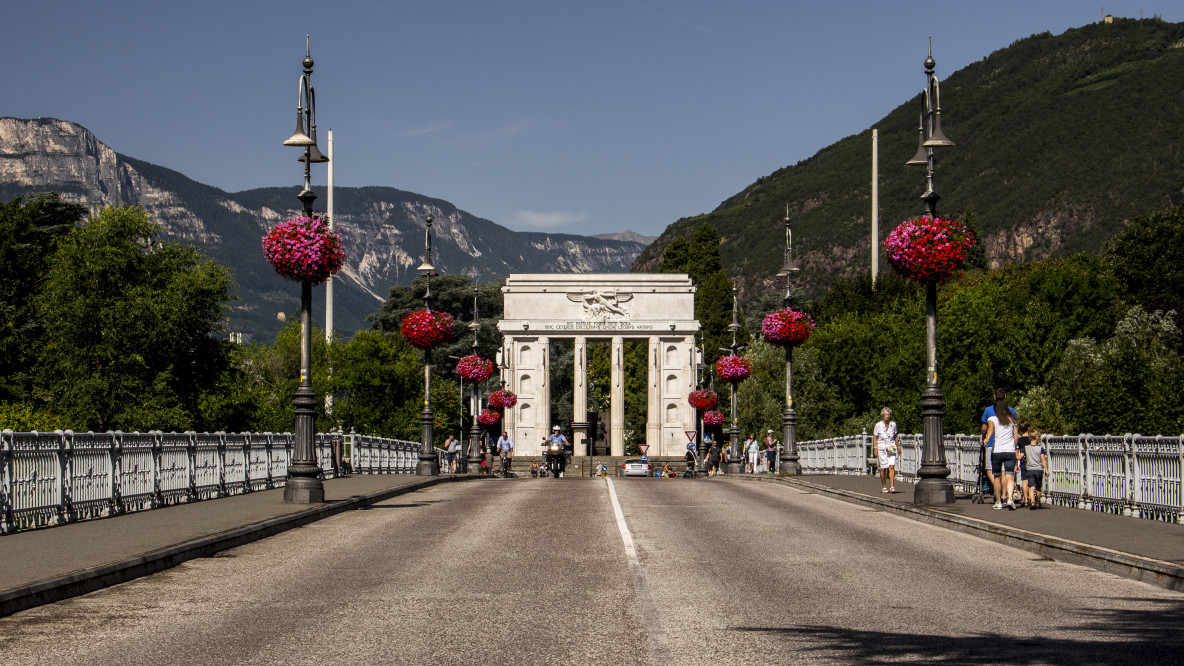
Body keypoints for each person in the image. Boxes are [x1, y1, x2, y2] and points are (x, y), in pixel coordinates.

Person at [981, 388, 1019, 504]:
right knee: (1007, 474)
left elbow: (984, 428)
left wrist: (984, 439)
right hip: (1009, 448)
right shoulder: (1012, 412)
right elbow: (1016, 435)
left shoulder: (988, 411)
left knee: (991, 471)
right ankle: (1005, 495)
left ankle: (998, 496)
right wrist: (1015, 446)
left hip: (993, 446)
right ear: (1005, 396)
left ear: (994, 397)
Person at [873, 408, 901, 493]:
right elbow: (875, 437)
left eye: (889, 415)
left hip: (891, 447)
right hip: (882, 448)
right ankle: (884, 486)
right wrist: (875, 448)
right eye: (886, 415)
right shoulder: (878, 425)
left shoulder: (893, 424)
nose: (887, 416)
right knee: (883, 468)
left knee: (891, 466)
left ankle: (892, 486)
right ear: (883, 415)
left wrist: (898, 447)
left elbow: (895, 436)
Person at [1021, 426, 1048, 510]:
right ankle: (1037, 502)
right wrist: (1046, 470)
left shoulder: (1026, 448)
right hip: (1039, 470)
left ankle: (1032, 502)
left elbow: (1020, 457)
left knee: (1031, 487)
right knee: (1038, 487)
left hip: (1029, 470)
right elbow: (1043, 460)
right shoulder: (1040, 448)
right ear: (1037, 438)